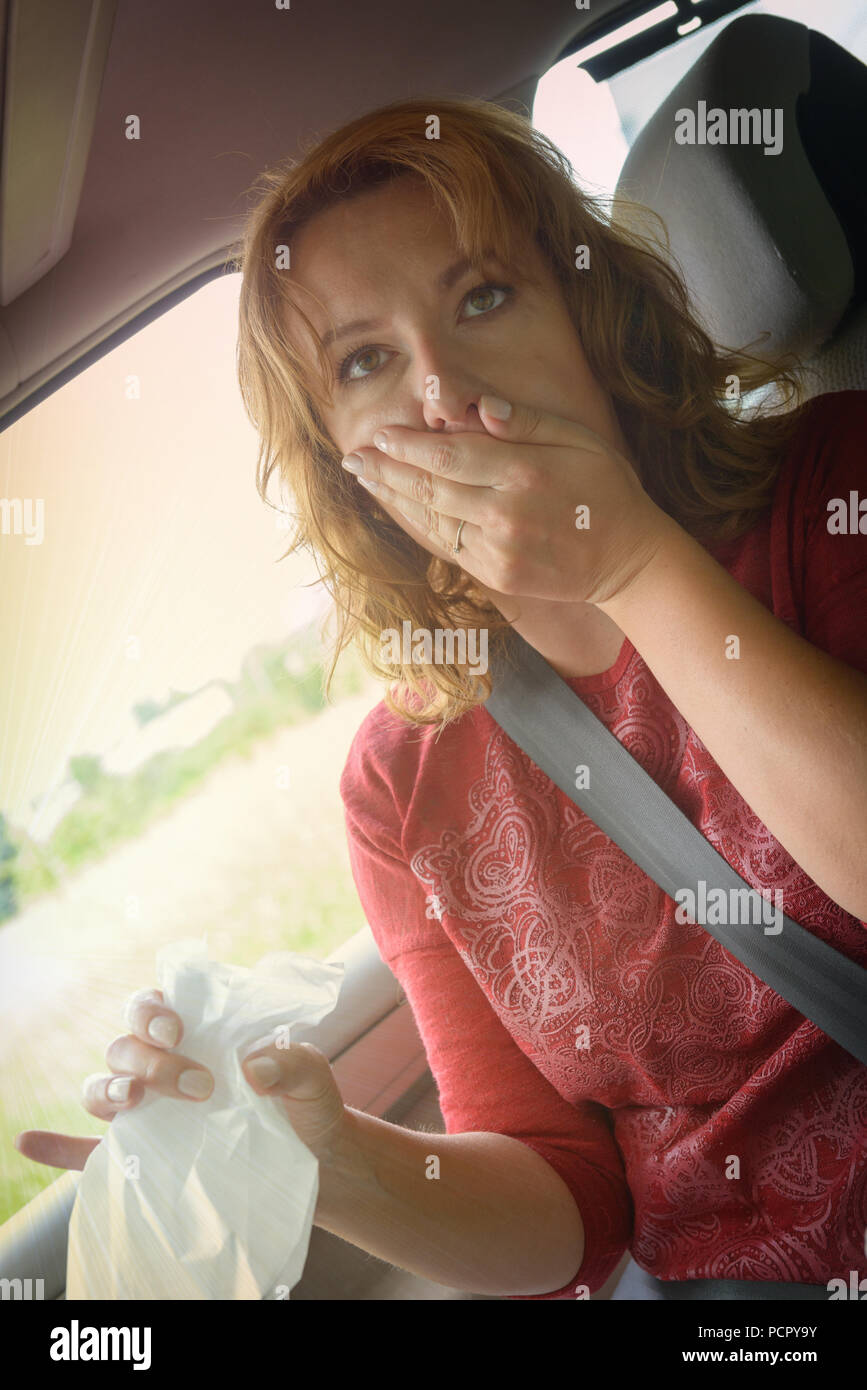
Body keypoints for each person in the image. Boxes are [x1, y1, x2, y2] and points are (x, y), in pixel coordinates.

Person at [15, 97, 867, 1301]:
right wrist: (327, 1162)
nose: (443, 386)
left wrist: (628, 564)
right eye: (365, 361)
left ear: (588, 315)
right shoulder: (399, 782)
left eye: (482, 297)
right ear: (345, 467)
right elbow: (565, 1210)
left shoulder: (836, 484)